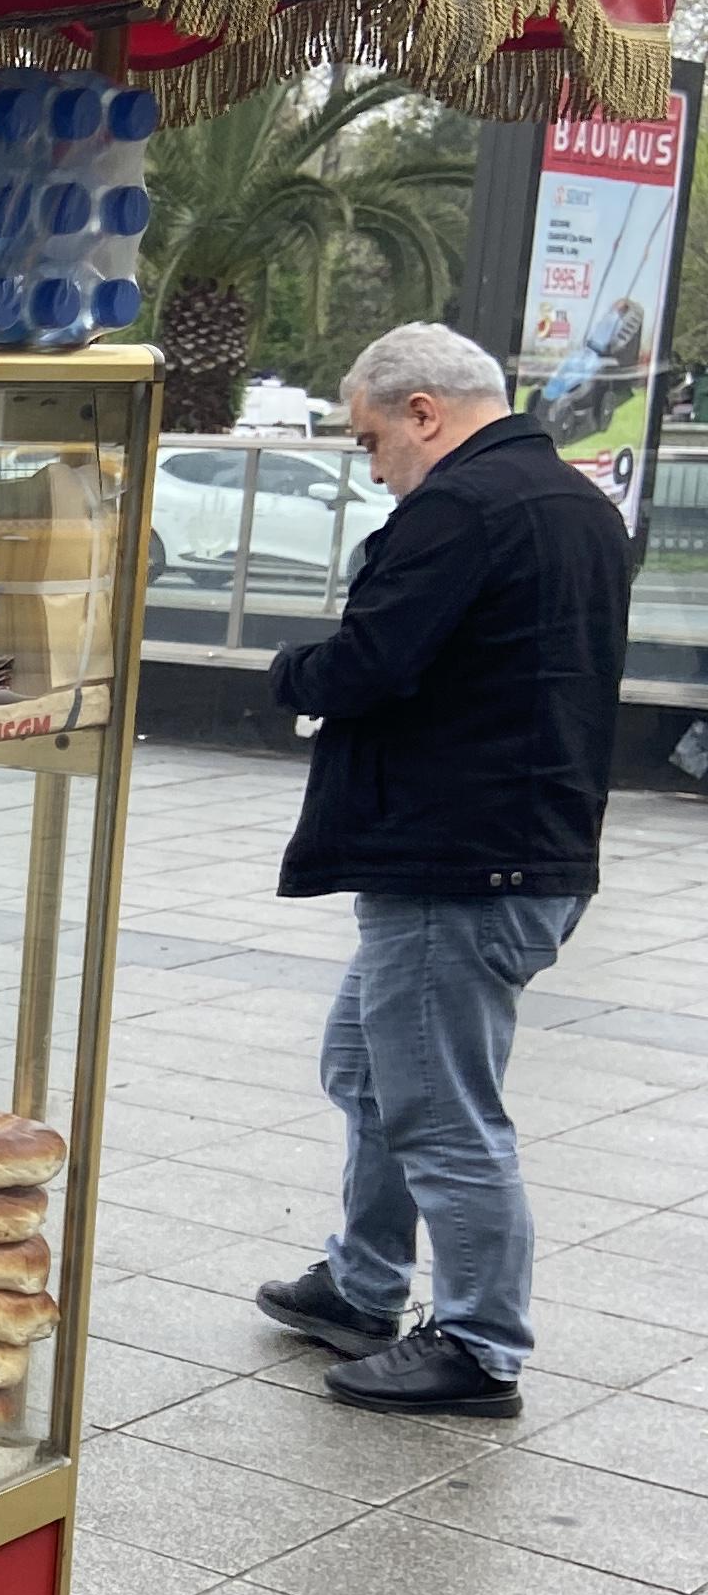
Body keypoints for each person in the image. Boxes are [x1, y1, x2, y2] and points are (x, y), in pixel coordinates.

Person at [256, 320, 631, 1415]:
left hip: (458, 864)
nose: (374, 467)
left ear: (423, 412)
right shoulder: (576, 503)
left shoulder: (461, 507)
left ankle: (478, 1344)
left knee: (440, 1110)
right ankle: (362, 1285)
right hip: (523, 845)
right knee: (366, 1068)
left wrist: (288, 671)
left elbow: (369, 662)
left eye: (372, 441)